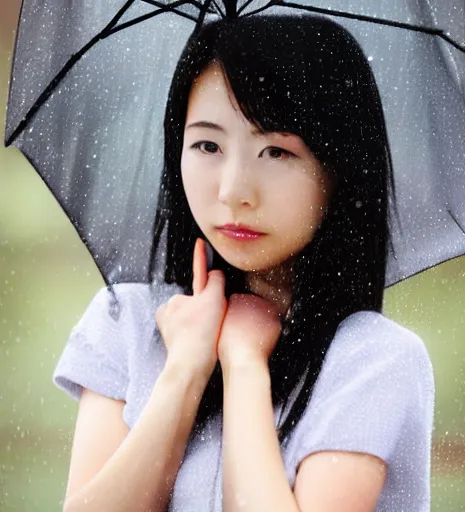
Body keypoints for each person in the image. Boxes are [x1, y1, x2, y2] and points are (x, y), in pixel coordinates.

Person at [53, 14, 434, 512]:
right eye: (208, 145)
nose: (233, 191)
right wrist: (186, 369)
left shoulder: (372, 361)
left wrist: (245, 365)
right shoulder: (127, 324)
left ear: (338, 168)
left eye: (275, 151)